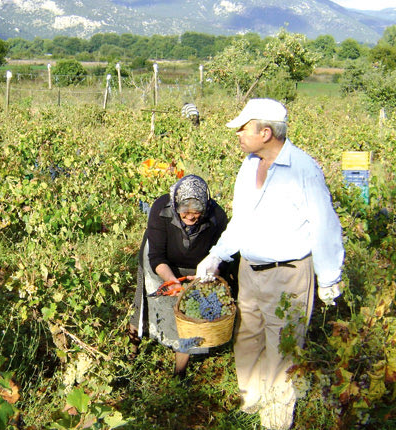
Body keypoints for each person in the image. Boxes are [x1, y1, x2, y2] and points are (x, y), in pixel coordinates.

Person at [196, 99, 344, 429]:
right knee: (247, 335)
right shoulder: (250, 166)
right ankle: (250, 401)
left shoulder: (304, 169)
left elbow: (323, 223)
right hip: (251, 270)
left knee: (283, 347)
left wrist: (329, 275)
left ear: (266, 132)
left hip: (288, 274)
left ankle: (276, 418)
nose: (238, 134)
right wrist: (218, 255)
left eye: (243, 129)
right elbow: (241, 220)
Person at [128, 175, 228, 377]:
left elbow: (221, 254)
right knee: (143, 309)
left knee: (189, 321)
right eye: (185, 212)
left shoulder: (217, 216)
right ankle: (130, 356)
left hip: (196, 270)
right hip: (160, 264)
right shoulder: (160, 209)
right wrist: (172, 281)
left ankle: (179, 374)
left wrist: (208, 276)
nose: (190, 218)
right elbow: (156, 257)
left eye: (196, 213)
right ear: (175, 205)